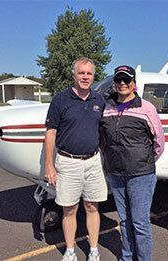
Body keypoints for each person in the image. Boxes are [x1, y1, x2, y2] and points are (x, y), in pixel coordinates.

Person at [44, 57, 108, 261]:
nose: (85, 77)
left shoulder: (99, 100)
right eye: (81, 73)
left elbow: (103, 131)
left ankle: (93, 250)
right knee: (69, 209)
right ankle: (70, 251)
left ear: (93, 76)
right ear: (74, 75)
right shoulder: (60, 100)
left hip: (93, 162)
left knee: (92, 207)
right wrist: (49, 166)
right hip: (68, 162)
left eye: (89, 73)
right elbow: (51, 133)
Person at [100, 65, 165, 261]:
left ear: (133, 84)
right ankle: (127, 257)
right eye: (118, 80)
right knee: (125, 220)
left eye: (126, 80)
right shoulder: (107, 107)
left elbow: (159, 142)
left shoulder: (146, 108)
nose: (122, 84)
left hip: (140, 174)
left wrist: (143, 161)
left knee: (140, 222)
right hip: (116, 173)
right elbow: (103, 139)